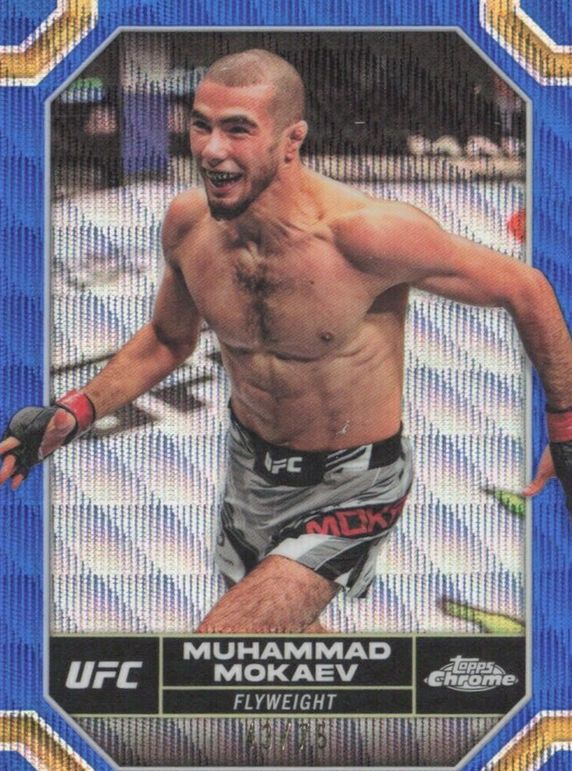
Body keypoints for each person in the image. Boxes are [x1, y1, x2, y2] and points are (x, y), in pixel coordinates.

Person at [1, 50, 571, 633]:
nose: (211, 149)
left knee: (220, 650)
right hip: (251, 476)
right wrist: (76, 411)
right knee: (281, 648)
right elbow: (167, 340)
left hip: (354, 487)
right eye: (201, 125)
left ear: (291, 140)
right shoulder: (189, 225)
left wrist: (566, 426)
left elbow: (525, 289)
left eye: (238, 129)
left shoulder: (365, 235)